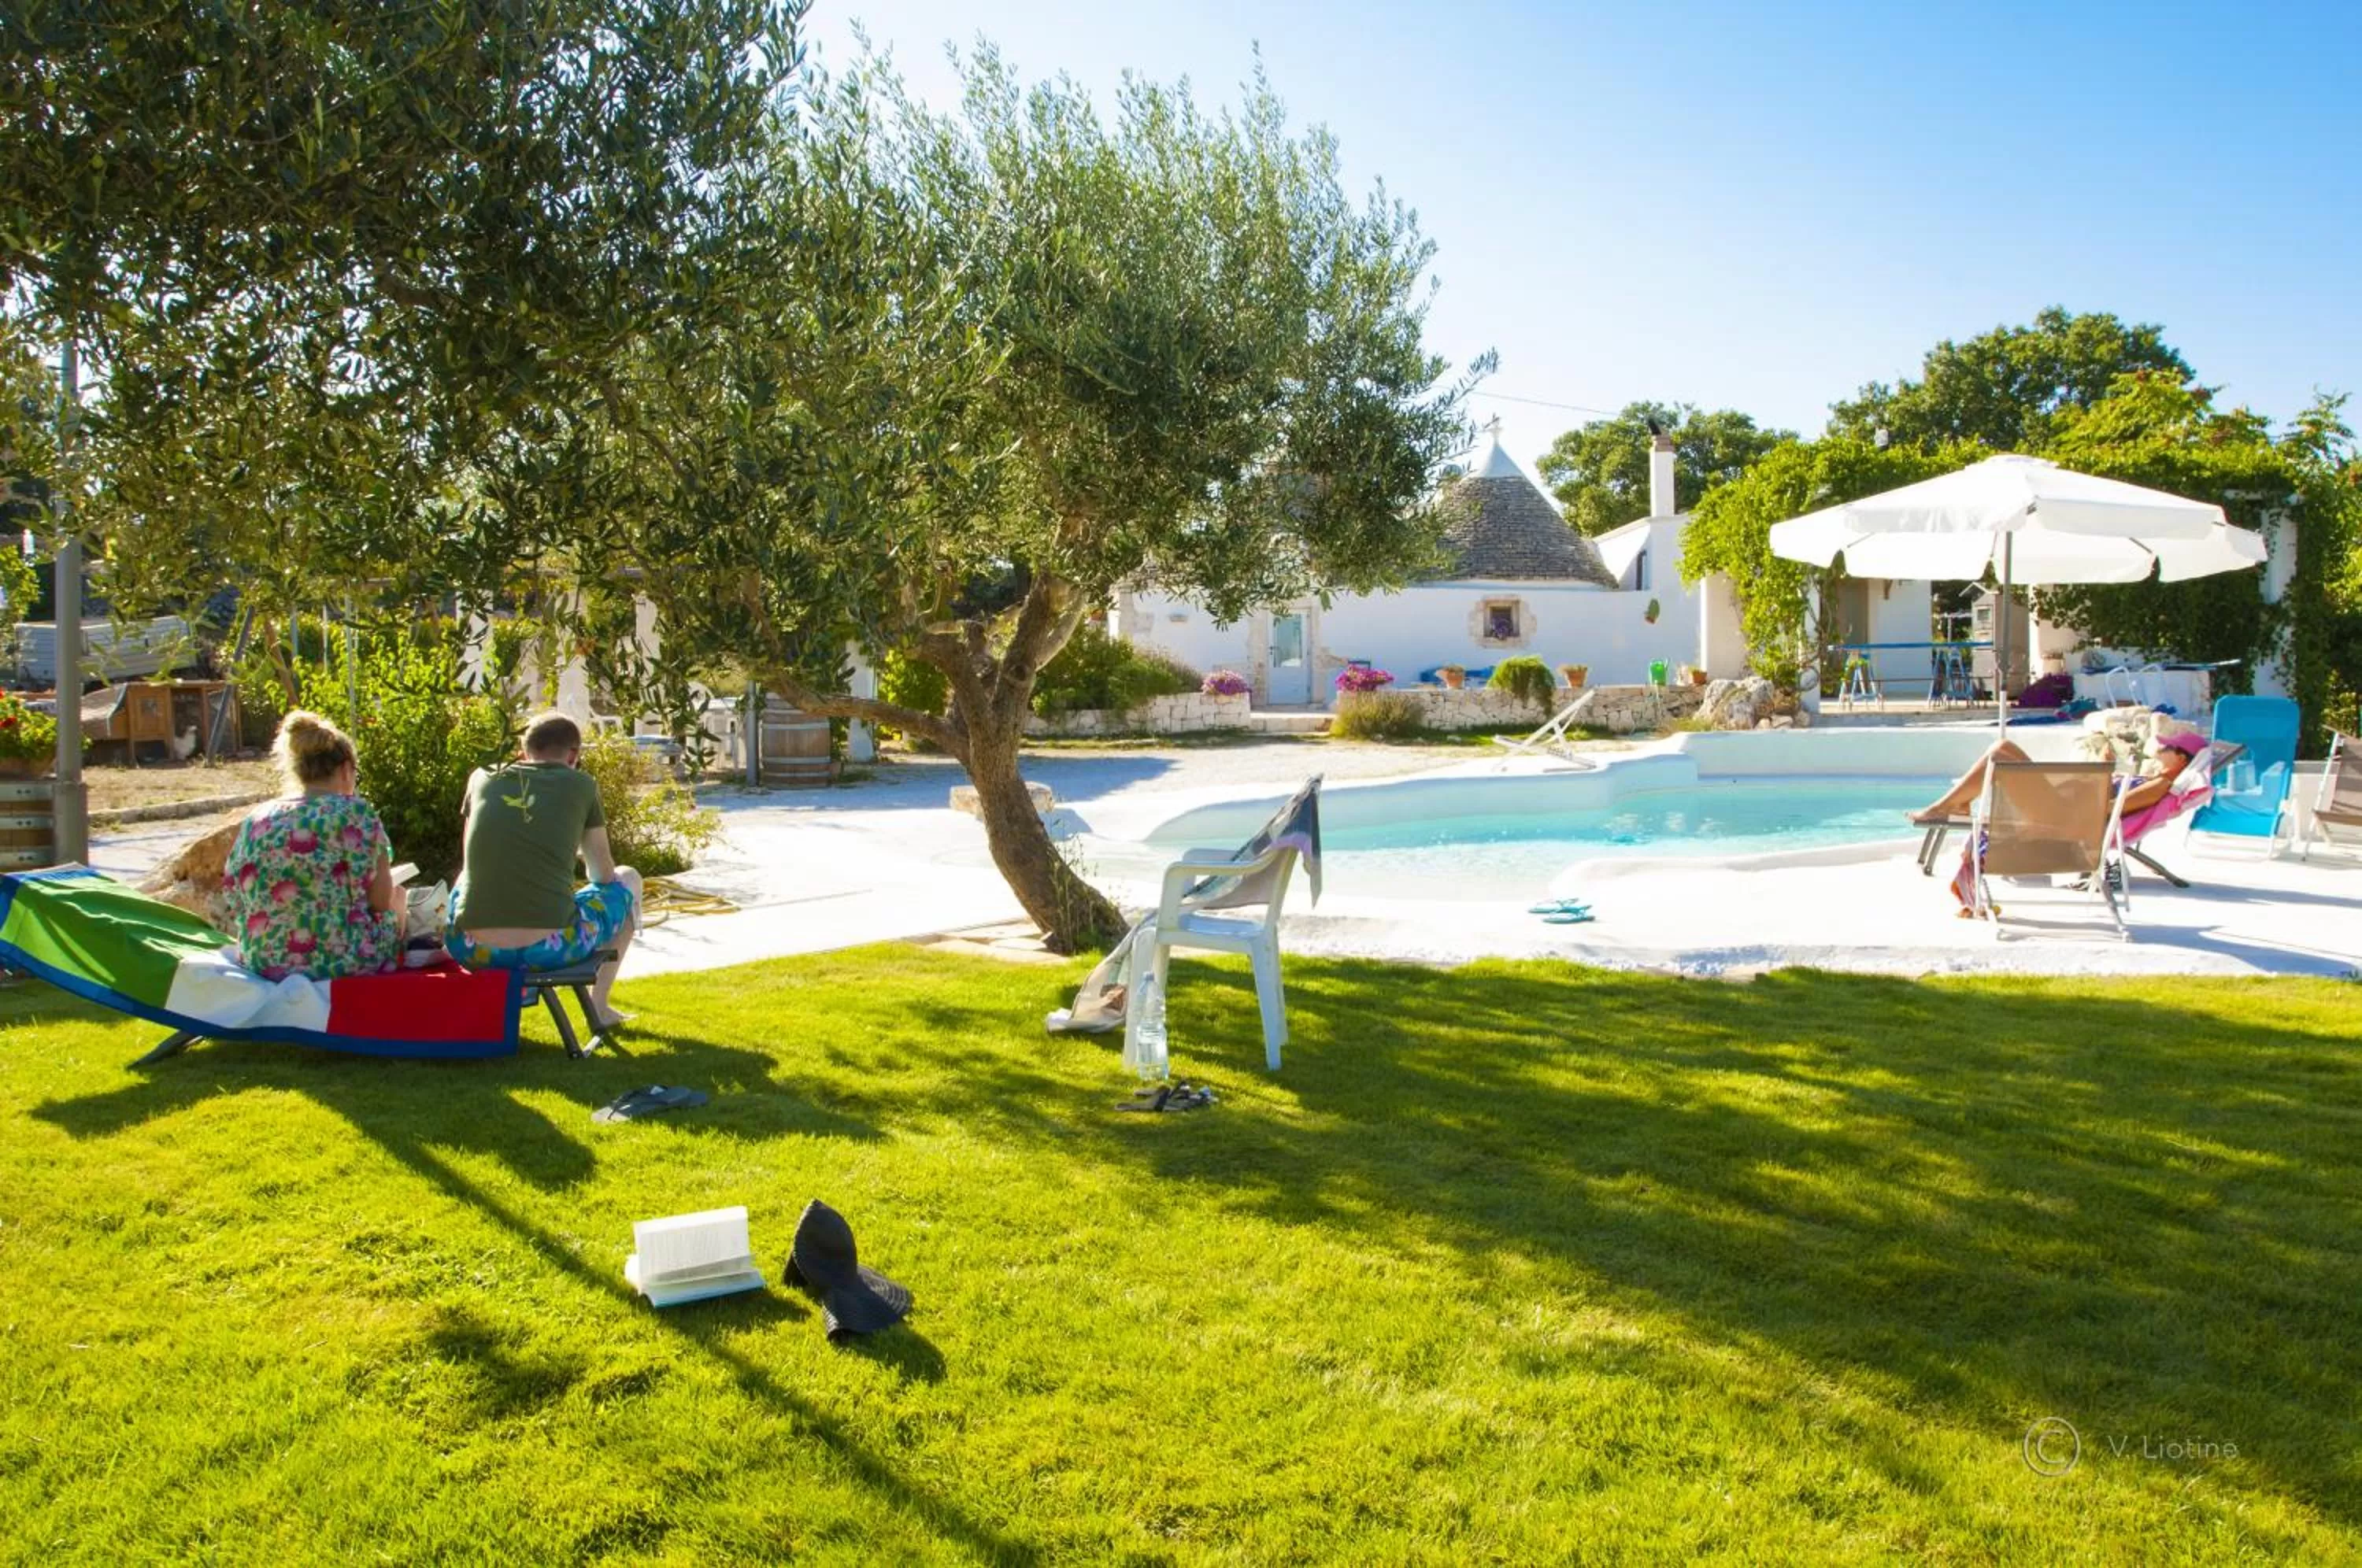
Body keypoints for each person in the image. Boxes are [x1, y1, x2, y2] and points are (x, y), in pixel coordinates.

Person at [446, 712, 641, 1027]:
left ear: (523, 751)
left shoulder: (481, 777)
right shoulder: (582, 785)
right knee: (628, 879)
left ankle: (517, 990)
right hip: (550, 948)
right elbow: (602, 876)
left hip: (471, 948)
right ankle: (599, 1009)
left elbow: (471, 858)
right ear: (574, 754)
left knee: (465, 878)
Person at [1920, 727, 2208, 915]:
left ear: (2181, 759)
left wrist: (2103, 776)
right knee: (2002, 749)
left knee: (2001, 751)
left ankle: (1946, 807)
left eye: (2166, 749)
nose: (2159, 751)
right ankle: (1952, 804)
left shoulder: (2158, 787)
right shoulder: (2157, 781)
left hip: (2065, 818)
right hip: (2066, 811)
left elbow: (2105, 811)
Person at [224, 711, 404, 980]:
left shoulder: (257, 819)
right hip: (345, 960)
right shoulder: (356, 814)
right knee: (399, 898)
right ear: (346, 769)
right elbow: (379, 902)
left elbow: (234, 894)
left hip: (263, 960)